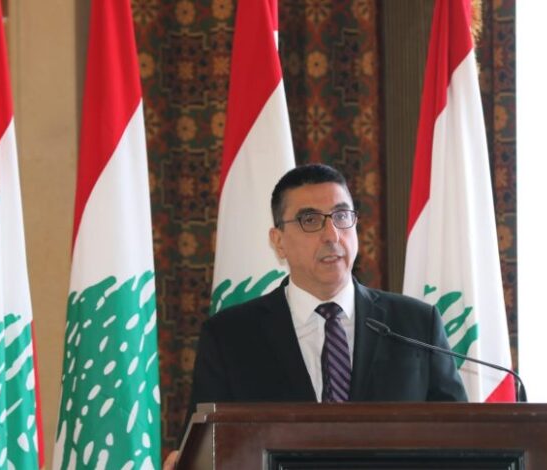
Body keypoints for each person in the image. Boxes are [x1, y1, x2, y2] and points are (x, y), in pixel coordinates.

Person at [164, 163, 466, 468]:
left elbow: (462, 441)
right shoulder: (230, 337)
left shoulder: (415, 324)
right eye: (310, 220)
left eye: (341, 216)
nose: (332, 234)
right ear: (278, 241)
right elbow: (205, 452)